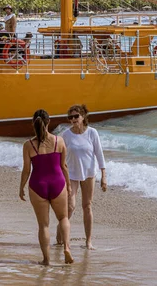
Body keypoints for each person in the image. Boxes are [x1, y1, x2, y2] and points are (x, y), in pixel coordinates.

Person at [20, 109, 73, 266]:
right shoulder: (59, 141)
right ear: (49, 122)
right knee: (63, 218)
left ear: (33, 123)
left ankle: (46, 260)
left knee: (43, 225)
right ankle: (67, 248)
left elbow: (26, 170)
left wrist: (21, 187)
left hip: (38, 185)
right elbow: (64, 166)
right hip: (58, 183)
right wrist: (69, 185)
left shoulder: (28, 145)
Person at [57, 104, 106, 250]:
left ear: (83, 116)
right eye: (70, 117)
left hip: (89, 173)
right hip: (71, 173)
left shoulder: (92, 133)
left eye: (76, 116)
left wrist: (104, 175)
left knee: (87, 206)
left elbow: (99, 154)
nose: (73, 119)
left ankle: (88, 241)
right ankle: (60, 236)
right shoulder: (66, 135)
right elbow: (59, 155)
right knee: (70, 206)